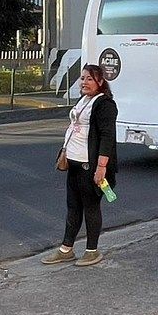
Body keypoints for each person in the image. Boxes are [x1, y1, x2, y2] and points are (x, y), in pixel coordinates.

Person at [43, 64, 118, 267]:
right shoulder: (85, 99)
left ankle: (92, 251)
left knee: (90, 207)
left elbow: (107, 137)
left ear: (100, 82)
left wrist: (101, 167)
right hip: (74, 162)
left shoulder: (105, 104)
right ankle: (66, 249)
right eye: (83, 78)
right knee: (73, 206)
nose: (84, 82)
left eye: (89, 79)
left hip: (90, 164)